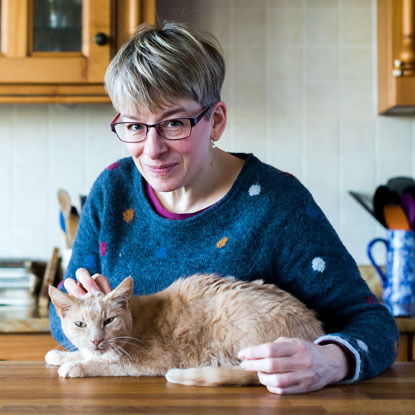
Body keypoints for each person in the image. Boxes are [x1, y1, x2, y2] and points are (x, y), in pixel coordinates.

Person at [50, 20, 399, 395]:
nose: (151, 150)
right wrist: (82, 303)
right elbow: (63, 322)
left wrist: (330, 361)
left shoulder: (276, 202)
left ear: (215, 120)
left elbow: (372, 324)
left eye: (174, 123)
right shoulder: (112, 188)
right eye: (135, 126)